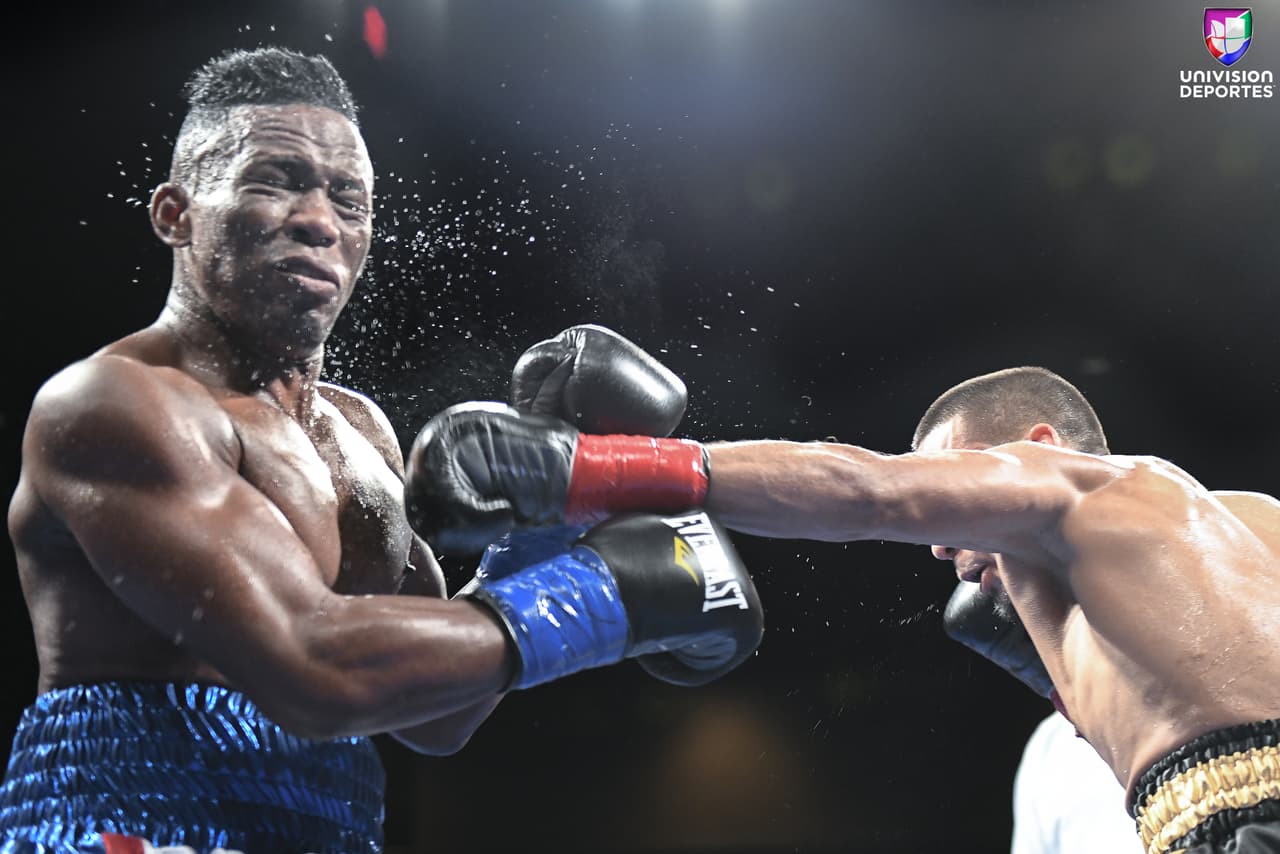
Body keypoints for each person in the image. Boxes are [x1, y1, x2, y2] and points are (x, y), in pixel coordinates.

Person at [0, 48, 764, 852]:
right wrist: (603, 598)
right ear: (176, 213)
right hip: (131, 829)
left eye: (348, 198)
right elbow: (314, 669)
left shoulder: (360, 433)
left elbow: (436, 717)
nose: (319, 220)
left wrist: (542, 543)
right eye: (277, 178)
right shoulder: (115, 403)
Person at [410, 363, 1280, 853]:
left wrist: (583, 470)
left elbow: (866, 492)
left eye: (956, 484)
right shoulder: (1243, 530)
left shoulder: (1069, 481)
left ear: (1031, 449)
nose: (942, 545)